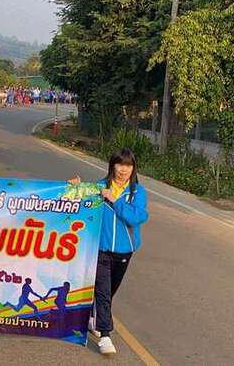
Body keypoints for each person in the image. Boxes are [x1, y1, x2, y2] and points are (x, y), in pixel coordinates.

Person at [87, 148, 149, 356]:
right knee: (103, 292)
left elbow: (135, 217)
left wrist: (114, 199)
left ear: (133, 168)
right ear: (112, 166)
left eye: (128, 165)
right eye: (120, 164)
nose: (123, 169)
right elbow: (82, 206)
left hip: (124, 251)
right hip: (101, 249)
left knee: (110, 291)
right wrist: (75, 189)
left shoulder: (137, 192)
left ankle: (93, 317)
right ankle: (105, 336)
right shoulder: (99, 187)